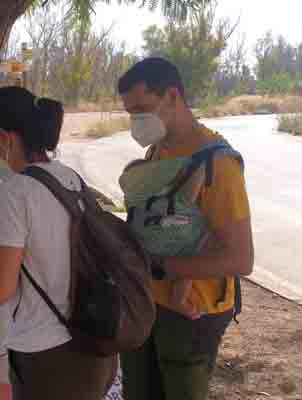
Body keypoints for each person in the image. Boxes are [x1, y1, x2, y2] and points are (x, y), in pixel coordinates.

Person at [0, 86, 117, 400]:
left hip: (48, 358)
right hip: (94, 340)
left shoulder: (13, 193)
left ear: (5, 137)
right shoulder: (70, 178)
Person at [117, 58, 255, 400]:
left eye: (142, 109)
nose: (136, 120)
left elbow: (240, 259)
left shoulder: (217, 164)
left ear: (173, 96)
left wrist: (163, 266)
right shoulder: (157, 152)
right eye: (130, 112)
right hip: (149, 303)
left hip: (193, 313)